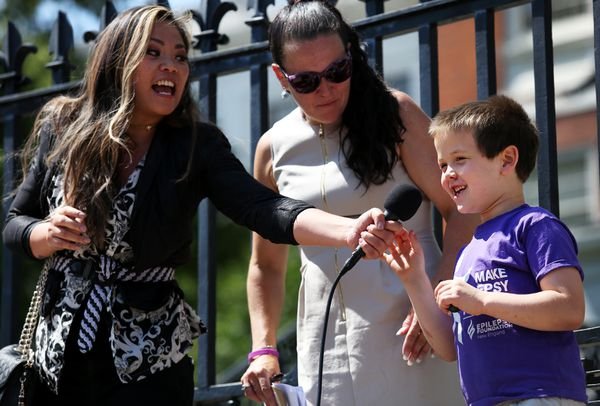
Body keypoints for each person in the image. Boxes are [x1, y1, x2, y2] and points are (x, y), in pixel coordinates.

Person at [1, 5, 401, 406]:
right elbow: (15, 224)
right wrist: (45, 234)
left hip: (150, 363)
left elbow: (265, 208)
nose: (171, 66)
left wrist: (348, 230)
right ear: (118, 61)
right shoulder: (62, 126)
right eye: (153, 52)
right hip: (56, 358)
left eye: (180, 56)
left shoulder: (195, 145)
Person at [240, 1, 478, 404]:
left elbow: (460, 209)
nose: (327, 89)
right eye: (307, 81)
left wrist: (437, 300)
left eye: (337, 71)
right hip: (323, 340)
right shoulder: (272, 148)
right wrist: (263, 349)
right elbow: (265, 264)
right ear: (281, 77)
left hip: (412, 328)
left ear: (350, 56)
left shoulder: (396, 113)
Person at [384, 95, 587, 406]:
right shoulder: (469, 251)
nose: (447, 174)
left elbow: (569, 308)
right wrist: (414, 279)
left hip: (540, 396)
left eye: (460, 159)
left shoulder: (535, 226)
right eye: (442, 165)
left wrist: (482, 300)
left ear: (506, 160)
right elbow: (449, 348)